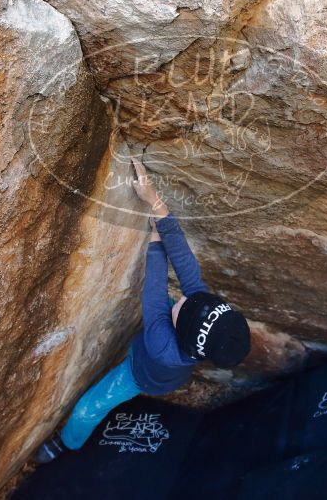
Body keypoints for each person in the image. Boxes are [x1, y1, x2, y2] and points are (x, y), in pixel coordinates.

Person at [34, 158, 251, 462]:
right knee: (177, 300)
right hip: (167, 350)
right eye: (197, 300)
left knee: (89, 407)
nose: (187, 299)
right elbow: (186, 264)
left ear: (183, 333)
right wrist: (156, 203)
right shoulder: (198, 312)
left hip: (143, 372)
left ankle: (68, 442)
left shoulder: (163, 346)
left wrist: (155, 239)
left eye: (185, 308)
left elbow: (155, 290)